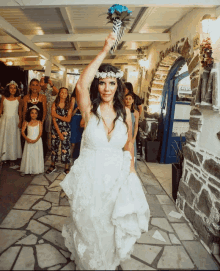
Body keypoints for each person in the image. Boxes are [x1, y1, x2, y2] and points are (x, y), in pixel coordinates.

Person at [59, 32, 150, 270]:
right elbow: (80, 84)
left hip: (116, 177)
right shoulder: (88, 110)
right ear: (97, 85)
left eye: (112, 83)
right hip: (90, 176)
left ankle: (107, 262)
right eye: (102, 82)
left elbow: (128, 144)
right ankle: (88, 262)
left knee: (110, 224)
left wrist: (130, 173)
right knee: (88, 222)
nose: (107, 88)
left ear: (118, 86)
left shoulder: (126, 114)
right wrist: (104, 50)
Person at [46, 87, 74, 175]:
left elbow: (68, 119)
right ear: (59, 93)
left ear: (67, 94)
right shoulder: (55, 103)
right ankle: (52, 165)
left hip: (66, 129)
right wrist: (58, 132)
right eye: (62, 92)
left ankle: (66, 167)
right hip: (55, 129)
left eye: (65, 92)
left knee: (66, 148)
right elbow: (53, 119)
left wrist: (56, 115)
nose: (64, 94)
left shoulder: (69, 104)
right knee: (54, 147)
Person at [0, 81, 22, 166]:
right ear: (8, 89)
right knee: (4, 138)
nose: (12, 90)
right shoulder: (3, 98)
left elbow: (20, 111)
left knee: (12, 138)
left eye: (14, 88)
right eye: (11, 88)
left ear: (16, 89)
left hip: (14, 120)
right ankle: (3, 157)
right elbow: (1, 109)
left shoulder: (19, 98)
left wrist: (20, 121)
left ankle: (12, 157)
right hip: (4, 120)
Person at [23, 79, 47, 155]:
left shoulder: (43, 97)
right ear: (30, 86)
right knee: (29, 141)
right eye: (33, 85)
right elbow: (24, 111)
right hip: (29, 124)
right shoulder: (26, 97)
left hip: (39, 123)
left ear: (39, 86)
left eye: (37, 85)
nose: (35, 87)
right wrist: (24, 122)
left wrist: (42, 122)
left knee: (40, 142)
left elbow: (45, 111)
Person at [20, 106, 44, 176]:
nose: (34, 115)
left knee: (35, 155)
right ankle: (26, 169)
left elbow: (40, 132)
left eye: (35, 113)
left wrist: (36, 140)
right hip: (29, 140)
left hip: (37, 141)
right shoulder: (26, 122)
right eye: (32, 113)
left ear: (38, 114)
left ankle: (34, 169)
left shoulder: (39, 122)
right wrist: (27, 139)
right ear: (29, 114)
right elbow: (22, 132)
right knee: (28, 154)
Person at [39, 77, 59, 151]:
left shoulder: (50, 90)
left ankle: (48, 146)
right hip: (39, 112)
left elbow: (57, 92)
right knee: (40, 129)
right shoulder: (38, 90)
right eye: (41, 81)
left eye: (44, 81)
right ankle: (40, 145)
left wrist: (52, 84)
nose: (42, 82)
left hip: (48, 113)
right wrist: (39, 85)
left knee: (48, 130)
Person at [124, 92, 139, 170]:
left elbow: (136, 126)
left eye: (130, 99)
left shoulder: (135, 112)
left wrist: (133, 139)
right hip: (123, 135)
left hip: (131, 136)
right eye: (126, 99)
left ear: (133, 100)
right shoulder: (122, 111)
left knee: (131, 156)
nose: (128, 101)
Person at [69, 88, 84, 164]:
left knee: (81, 140)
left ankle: (78, 158)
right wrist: (77, 108)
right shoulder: (73, 98)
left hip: (82, 119)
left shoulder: (84, 98)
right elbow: (70, 114)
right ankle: (70, 158)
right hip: (75, 119)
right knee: (73, 141)